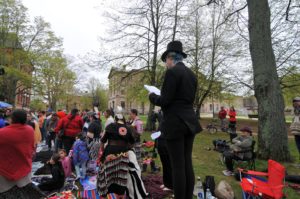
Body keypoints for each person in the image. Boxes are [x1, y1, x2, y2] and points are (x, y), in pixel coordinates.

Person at [149, 40, 202, 199]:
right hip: (190, 122)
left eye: (166, 60)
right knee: (187, 163)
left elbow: (165, 101)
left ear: (170, 58)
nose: (166, 63)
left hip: (175, 123)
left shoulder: (172, 72)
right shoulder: (192, 75)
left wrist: (152, 96)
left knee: (178, 165)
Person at [97, 110, 148, 198]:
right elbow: (132, 143)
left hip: (110, 152)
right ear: (123, 120)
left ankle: (105, 191)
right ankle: (120, 195)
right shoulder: (129, 128)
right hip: (123, 154)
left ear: (115, 119)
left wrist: (103, 151)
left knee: (107, 173)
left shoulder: (110, 126)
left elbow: (102, 141)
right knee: (121, 175)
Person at [0, 109, 38, 196]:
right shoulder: (30, 130)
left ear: (12, 119)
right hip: (24, 167)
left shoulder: (2, 133)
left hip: (5, 171)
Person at [156, 110, 173, 191]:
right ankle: (166, 183)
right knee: (165, 166)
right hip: (161, 146)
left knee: (168, 166)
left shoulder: (170, 119)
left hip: (166, 146)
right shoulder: (162, 120)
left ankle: (170, 185)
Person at [290, 97, 300, 161]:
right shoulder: (294, 110)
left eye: (297, 102)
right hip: (296, 132)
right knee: (299, 147)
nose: (296, 103)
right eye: (294, 102)